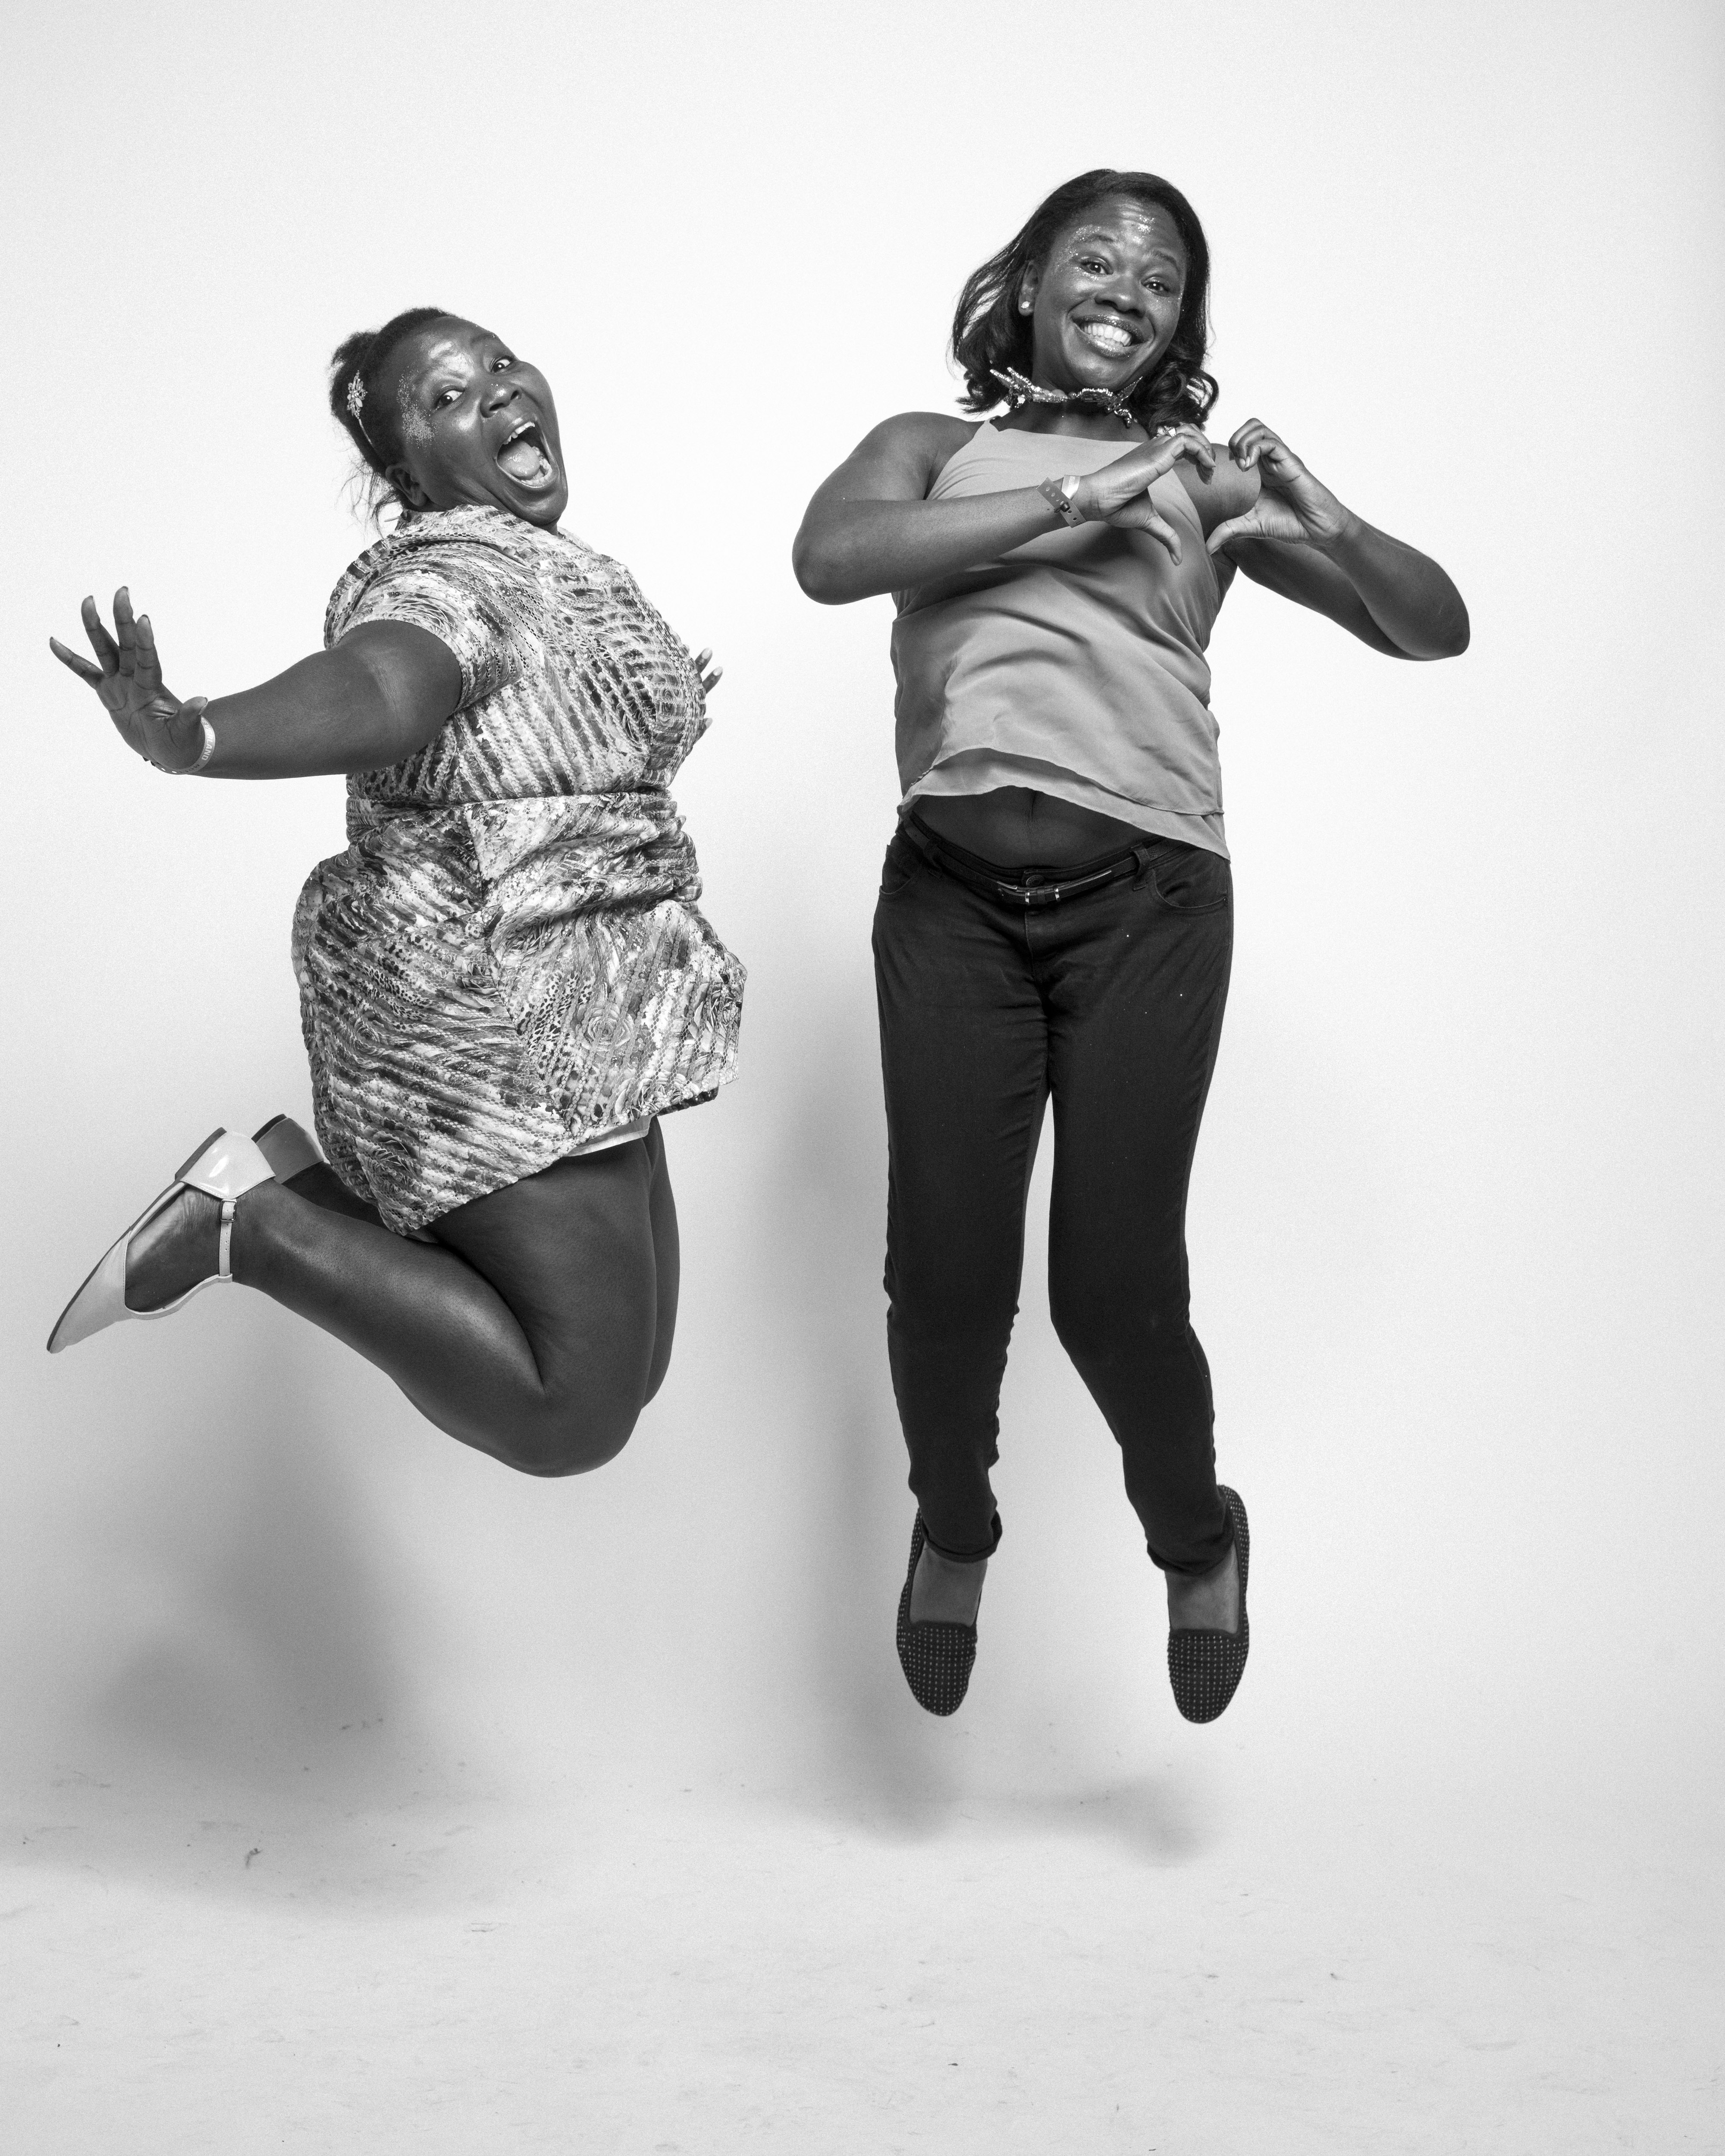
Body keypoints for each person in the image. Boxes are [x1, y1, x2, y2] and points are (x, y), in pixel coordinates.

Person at [793, 169, 1467, 1722]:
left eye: (1160, 275)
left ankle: (1198, 1538)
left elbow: (1435, 629)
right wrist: (1058, 502)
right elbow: (833, 561)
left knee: (1112, 1291)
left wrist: (1328, 520)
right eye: (1092, 255)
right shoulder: (932, 449)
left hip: (1148, 904)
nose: (1125, 282)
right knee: (945, 1289)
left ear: (1183, 321)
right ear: (1026, 283)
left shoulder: (1205, 478)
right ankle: (954, 1530)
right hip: (952, 900)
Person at [48, 308, 744, 1479]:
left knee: (629, 1374)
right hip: (502, 1013)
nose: (496, 392)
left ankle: (290, 1188)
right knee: (568, 1412)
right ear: (406, 471)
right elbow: (385, 685)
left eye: (501, 363)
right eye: (444, 397)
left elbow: (519, 737)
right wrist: (199, 733)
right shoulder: (452, 577)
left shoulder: (545, 565)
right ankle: (250, 1226)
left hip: (596, 1001)